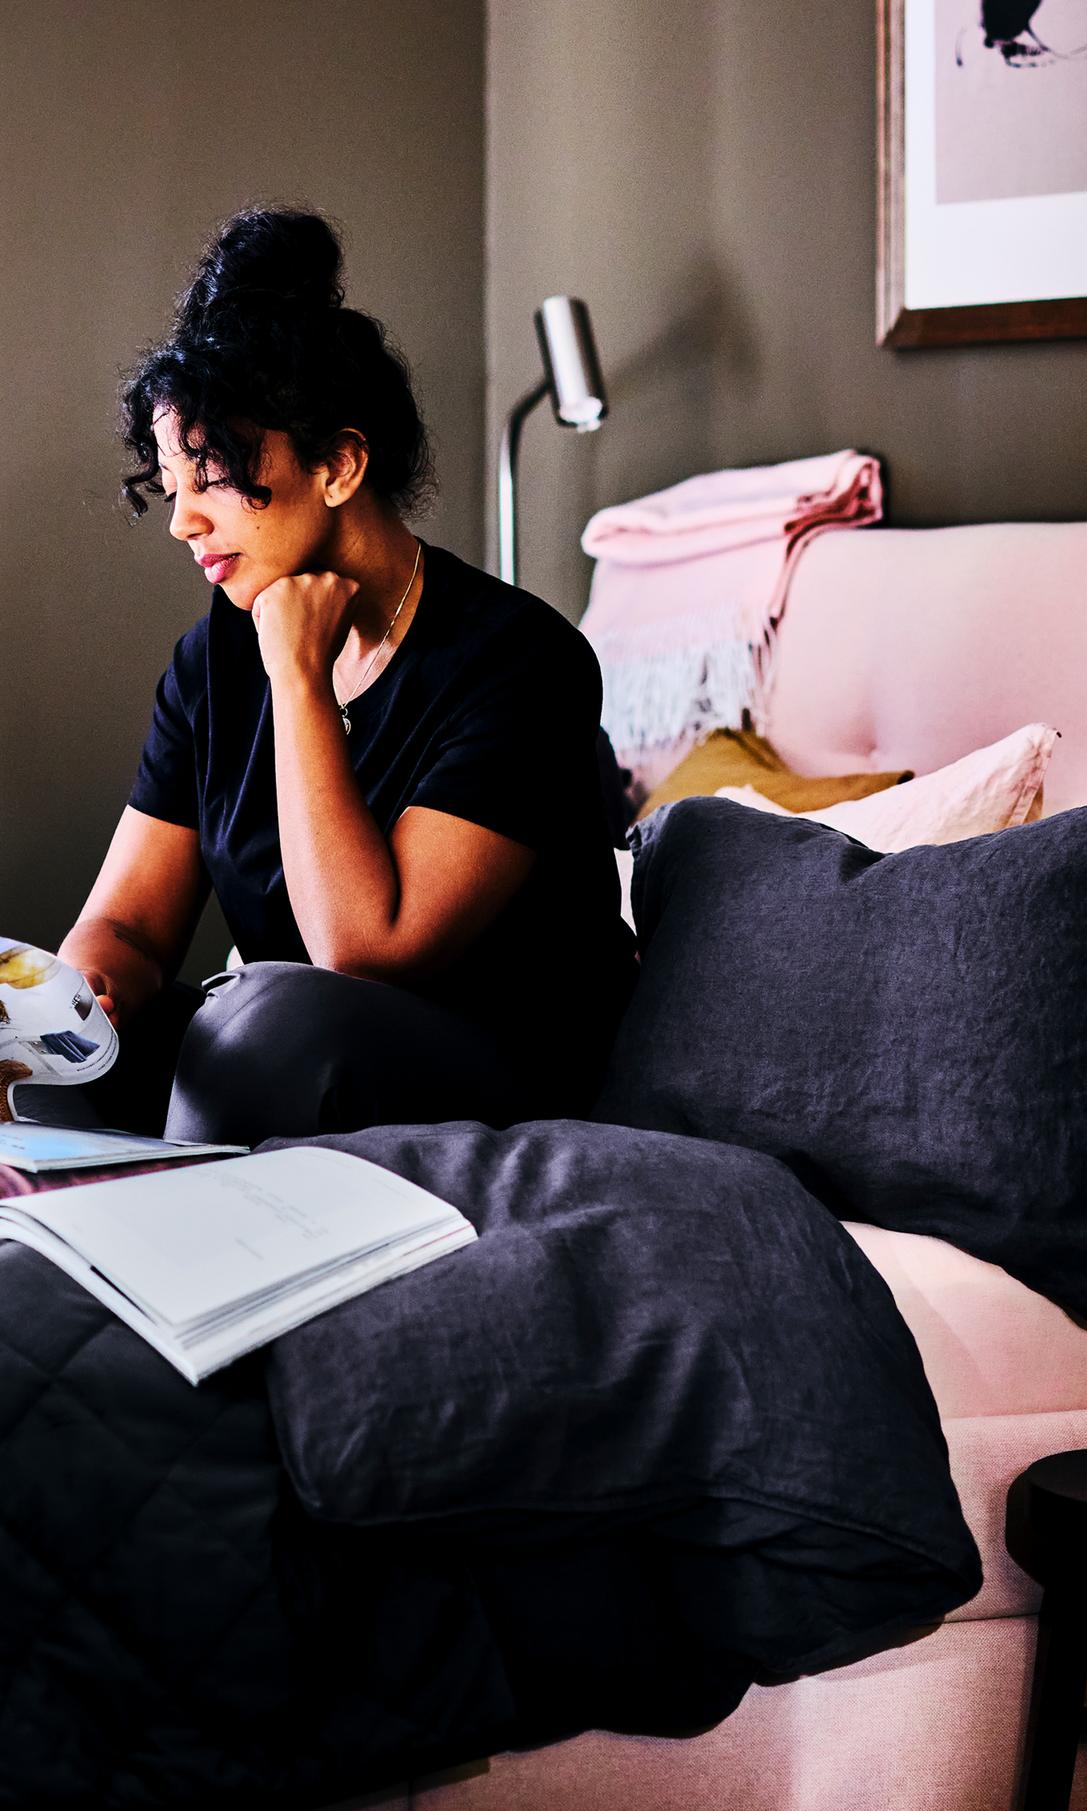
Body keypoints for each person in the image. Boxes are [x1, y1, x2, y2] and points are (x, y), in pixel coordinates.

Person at [24, 206, 636, 1147]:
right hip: (285, 1045)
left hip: (497, 1069)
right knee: (50, 1067)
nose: (182, 520)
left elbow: (366, 947)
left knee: (271, 1022)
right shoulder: (214, 660)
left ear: (341, 465)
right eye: (170, 483)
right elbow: (132, 927)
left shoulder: (522, 661)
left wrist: (299, 678)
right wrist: (91, 991)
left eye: (212, 473)